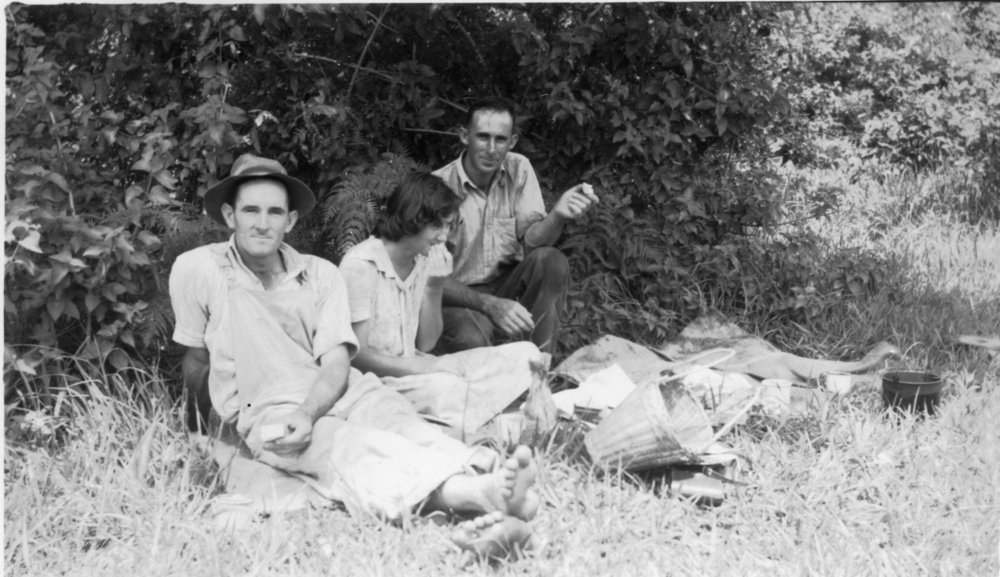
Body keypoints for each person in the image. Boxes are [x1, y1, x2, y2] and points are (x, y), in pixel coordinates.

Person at [168, 153, 539, 557]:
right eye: (250, 210)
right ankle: (472, 493)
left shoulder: (320, 274)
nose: (262, 223)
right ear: (229, 215)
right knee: (347, 446)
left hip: (345, 389)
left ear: (290, 221)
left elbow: (337, 361)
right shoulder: (198, 269)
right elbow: (197, 360)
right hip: (273, 407)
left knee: (402, 424)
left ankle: (484, 475)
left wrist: (311, 410)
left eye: (275, 212)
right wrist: (197, 427)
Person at [339, 172, 545, 439]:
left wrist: (434, 286)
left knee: (528, 355)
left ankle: (466, 414)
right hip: (378, 382)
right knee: (447, 389)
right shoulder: (360, 264)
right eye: (438, 226)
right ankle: (480, 418)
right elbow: (357, 356)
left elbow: (426, 343)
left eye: (449, 226)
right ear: (413, 219)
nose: (444, 236)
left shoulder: (421, 260)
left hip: (417, 367)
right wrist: (422, 368)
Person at [432, 97, 599, 356]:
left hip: (506, 282)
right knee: (472, 337)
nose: (491, 148)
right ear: (464, 136)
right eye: (482, 137)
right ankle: (483, 383)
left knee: (551, 260)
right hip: (456, 295)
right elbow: (430, 278)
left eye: (500, 139)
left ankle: (539, 370)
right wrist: (489, 305)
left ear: (512, 141)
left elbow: (532, 244)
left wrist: (558, 215)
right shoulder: (437, 187)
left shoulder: (518, 168)